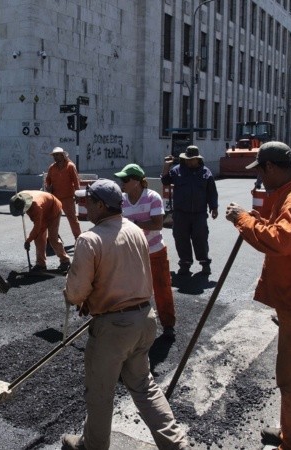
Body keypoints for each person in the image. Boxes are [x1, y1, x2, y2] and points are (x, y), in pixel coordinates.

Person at [61, 179, 189, 450]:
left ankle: (92, 447)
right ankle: (176, 445)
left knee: (100, 393)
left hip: (114, 327)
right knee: (144, 387)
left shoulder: (90, 239)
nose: (84, 206)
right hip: (144, 319)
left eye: (87, 201)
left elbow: (74, 293)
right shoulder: (133, 230)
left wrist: (77, 294)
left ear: (99, 205)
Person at [224, 141, 291, 450]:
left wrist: (243, 220)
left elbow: (280, 240)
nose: (260, 179)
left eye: (260, 171)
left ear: (271, 167)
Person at [115, 163, 177, 337]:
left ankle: (168, 325)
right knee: (132, 288)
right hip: (132, 252)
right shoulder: (122, 200)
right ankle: (135, 323)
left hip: (155, 251)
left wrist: (133, 225)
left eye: (125, 179)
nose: (122, 182)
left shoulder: (152, 197)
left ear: (137, 181)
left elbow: (157, 224)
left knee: (161, 288)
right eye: (122, 179)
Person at [160, 145, 219, 276]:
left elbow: (211, 192)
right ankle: (185, 264)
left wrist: (214, 207)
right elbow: (165, 181)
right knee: (181, 239)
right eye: (187, 159)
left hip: (199, 214)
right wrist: (166, 166)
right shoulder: (177, 171)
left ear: (198, 159)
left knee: (201, 239)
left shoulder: (206, 173)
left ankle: (205, 264)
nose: (189, 161)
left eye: (191, 159)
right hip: (180, 213)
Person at [9, 190, 71, 272]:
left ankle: (65, 261)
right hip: (44, 207)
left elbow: (37, 227)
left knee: (53, 238)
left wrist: (28, 240)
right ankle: (41, 264)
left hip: (53, 209)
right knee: (39, 239)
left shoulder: (36, 207)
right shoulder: (20, 197)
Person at [44, 147, 82, 240]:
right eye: (54, 155)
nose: (55, 157)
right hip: (55, 198)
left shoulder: (70, 166)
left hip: (68, 198)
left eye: (57, 155)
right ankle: (53, 238)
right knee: (53, 219)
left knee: (72, 219)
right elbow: (47, 180)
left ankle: (78, 237)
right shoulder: (52, 167)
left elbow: (76, 181)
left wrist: (77, 194)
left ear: (62, 155)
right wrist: (48, 187)